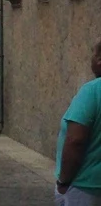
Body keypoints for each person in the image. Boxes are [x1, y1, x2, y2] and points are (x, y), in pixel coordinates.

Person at [57, 40, 101, 204]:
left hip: (85, 187)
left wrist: (63, 181)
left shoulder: (92, 91)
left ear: (99, 60)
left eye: (93, 54)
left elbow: (76, 140)